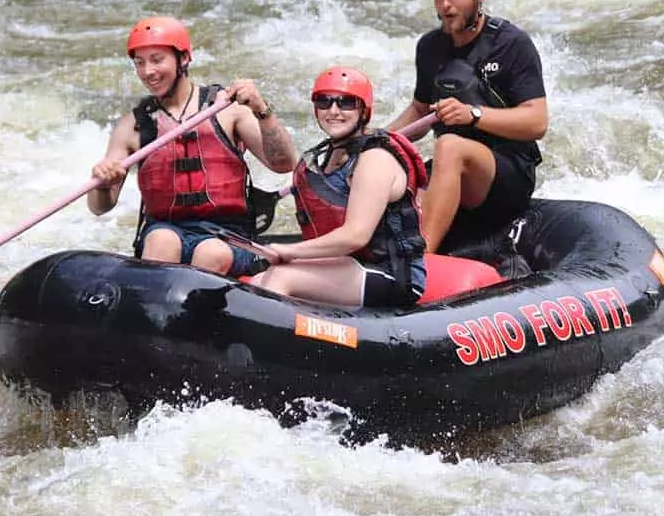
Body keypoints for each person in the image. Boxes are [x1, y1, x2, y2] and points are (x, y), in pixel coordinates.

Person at [87, 16, 298, 276]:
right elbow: (100, 206)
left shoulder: (228, 109)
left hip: (228, 236)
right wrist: (103, 181)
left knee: (211, 253)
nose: (147, 72)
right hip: (163, 230)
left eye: (156, 59)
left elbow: (284, 163)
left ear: (184, 58)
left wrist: (262, 110)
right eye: (139, 63)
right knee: (160, 242)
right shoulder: (131, 126)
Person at [386, 0, 548, 253]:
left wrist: (472, 114)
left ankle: (423, 262)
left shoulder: (512, 44)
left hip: (507, 171)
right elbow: (420, 110)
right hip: (453, 167)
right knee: (387, 168)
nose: (445, 5)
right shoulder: (430, 47)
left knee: (449, 146)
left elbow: (537, 122)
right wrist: (377, 142)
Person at [251, 67, 428, 307]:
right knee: (258, 280)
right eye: (324, 102)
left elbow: (356, 235)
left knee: (280, 278)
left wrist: (290, 251)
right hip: (349, 265)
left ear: (364, 110)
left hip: (392, 274)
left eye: (346, 103)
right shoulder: (329, 156)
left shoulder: (375, 158)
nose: (333, 111)